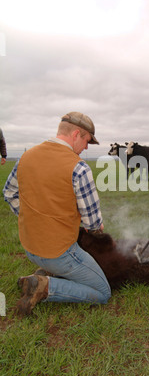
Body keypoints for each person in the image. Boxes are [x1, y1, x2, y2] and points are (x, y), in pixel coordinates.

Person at [3, 112, 111, 315]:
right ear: (77, 134)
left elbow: (9, 193)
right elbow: (93, 224)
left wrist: (33, 218)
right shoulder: (79, 167)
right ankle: (45, 286)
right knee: (102, 292)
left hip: (30, 247)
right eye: (87, 141)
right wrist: (98, 227)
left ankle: (42, 275)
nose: (86, 148)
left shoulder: (26, 157)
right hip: (60, 253)